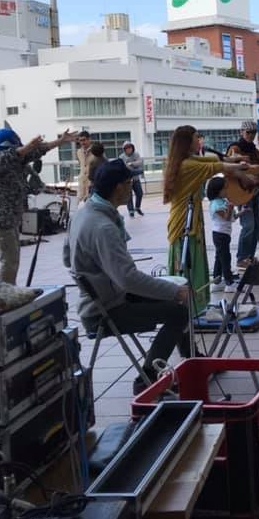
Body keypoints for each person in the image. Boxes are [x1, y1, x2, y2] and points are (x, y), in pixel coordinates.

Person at [64, 159, 191, 393]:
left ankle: (191, 364)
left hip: (105, 297)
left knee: (173, 300)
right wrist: (175, 290)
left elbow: (66, 258)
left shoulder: (83, 214)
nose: (132, 187)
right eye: (130, 182)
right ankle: (147, 380)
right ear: (119, 187)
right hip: (105, 311)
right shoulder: (103, 227)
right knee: (178, 311)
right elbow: (128, 279)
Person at [164, 126, 253, 311]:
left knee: (195, 263)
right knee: (188, 265)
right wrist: (241, 167)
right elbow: (217, 166)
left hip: (191, 220)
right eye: (196, 138)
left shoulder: (189, 160)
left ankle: (197, 307)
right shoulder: (187, 165)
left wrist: (234, 160)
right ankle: (189, 309)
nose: (200, 141)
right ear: (187, 142)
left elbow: (215, 160)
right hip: (184, 223)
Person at [0, 127, 76, 284]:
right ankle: (5, 293)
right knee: (9, 261)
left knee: (12, 259)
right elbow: (8, 157)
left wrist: (60, 141)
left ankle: (8, 289)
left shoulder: (16, 158)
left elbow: (38, 150)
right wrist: (28, 146)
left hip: (10, 218)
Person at [227, 121, 259, 267]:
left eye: (253, 133)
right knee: (248, 225)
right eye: (248, 132)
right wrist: (245, 178)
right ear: (241, 132)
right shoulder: (235, 148)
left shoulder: (255, 150)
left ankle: (249, 256)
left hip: (254, 191)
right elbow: (229, 169)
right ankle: (241, 257)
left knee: (256, 225)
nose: (251, 135)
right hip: (241, 191)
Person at [207, 176, 237, 293]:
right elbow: (226, 218)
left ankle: (217, 281)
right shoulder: (215, 204)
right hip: (220, 234)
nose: (226, 191)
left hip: (224, 233)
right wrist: (230, 208)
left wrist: (241, 213)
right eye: (224, 189)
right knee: (225, 257)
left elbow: (232, 218)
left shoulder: (223, 201)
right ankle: (229, 282)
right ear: (217, 191)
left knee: (219, 257)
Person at [120, 141, 145, 217]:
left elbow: (140, 162)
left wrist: (131, 164)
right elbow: (122, 167)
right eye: (127, 148)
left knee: (139, 193)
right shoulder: (121, 157)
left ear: (132, 148)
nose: (129, 149)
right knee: (129, 196)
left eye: (130, 147)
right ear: (124, 149)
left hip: (135, 179)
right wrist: (131, 167)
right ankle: (131, 211)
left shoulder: (136, 154)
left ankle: (137, 207)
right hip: (127, 180)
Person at [76, 131, 93, 202]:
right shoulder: (78, 152)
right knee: (80, 204)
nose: (82, 142)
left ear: (89, 139)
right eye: (80, 140)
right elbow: (81, 165)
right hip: (82, 183)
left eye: (84, 140)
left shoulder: (95, 150)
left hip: (92, 183)